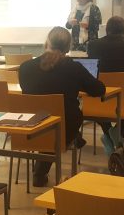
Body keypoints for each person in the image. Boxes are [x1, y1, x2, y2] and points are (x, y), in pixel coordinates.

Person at [19, 26, 106, 187]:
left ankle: (41, 171)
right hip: (63, 127)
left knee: (51, 119)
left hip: (31, 126)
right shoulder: (73, 68)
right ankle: (75, 138)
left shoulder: (25, 67)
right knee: (63, 119)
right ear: (67, 48)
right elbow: (99, 90)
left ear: (47, 42)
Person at [87, 16, 124, 143]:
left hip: (101, 96)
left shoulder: (93, 45)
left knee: (99, 112)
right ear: (123, 30)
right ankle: (116, 134)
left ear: (107, 29)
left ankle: (109, 133)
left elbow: (91, 71)